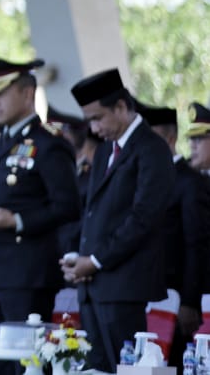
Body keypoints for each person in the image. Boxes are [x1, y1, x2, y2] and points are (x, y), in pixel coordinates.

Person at [0, 56, 79, 375]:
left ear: (28, 94)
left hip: (25, 277)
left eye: (2, 94)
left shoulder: (48, 144)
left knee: (24, 366)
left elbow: (68, 206)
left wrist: (17, 221)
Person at [65, 68, 174, 372]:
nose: (94, 128)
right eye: (89, 121)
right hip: (94, 284)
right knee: (96, 366)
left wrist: (96, 260)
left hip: (124, 285)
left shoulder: (152, 150)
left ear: (122, 108)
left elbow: (143, 218)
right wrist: (79, 257)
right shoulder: (103, 153)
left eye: (98, 118)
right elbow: (94, 213)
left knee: (123, 367)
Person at [142, 103, 210, 362]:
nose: (193, 145)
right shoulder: (158, 177)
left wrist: (189, 300)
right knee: (150, 362)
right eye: (192, 138)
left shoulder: (190, 183)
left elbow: (197, 243)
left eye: (201, 138)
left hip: (181, 295)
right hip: (157, 291)